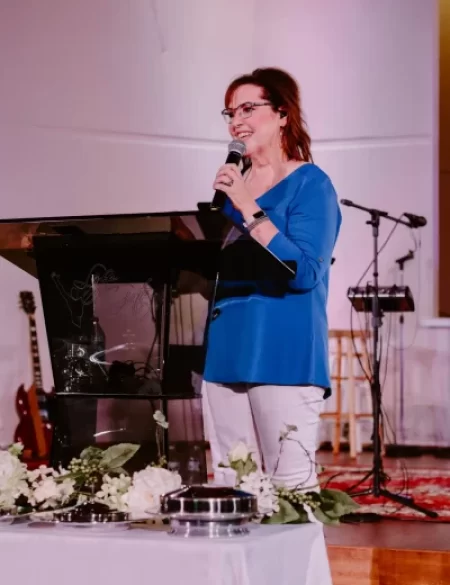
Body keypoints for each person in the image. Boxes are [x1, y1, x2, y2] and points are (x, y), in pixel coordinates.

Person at [201, 67, 342, 490]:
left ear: (282, 114)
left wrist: (250, 209)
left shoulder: (310, 184)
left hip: (283, 351)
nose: (236, 121)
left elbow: (304, 272)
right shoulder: (230, 193)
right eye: (229, 112)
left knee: (291, 490)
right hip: (224, 352)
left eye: (248, 108)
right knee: (233, 487)